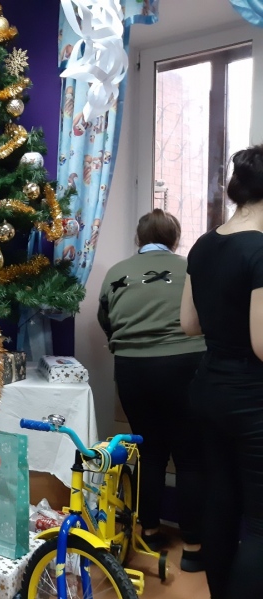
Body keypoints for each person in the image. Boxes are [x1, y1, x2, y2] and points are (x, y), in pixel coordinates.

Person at [97, 209, 205, 571]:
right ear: (175, 239)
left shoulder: (117, 272)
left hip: (133, 370)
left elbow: (106, 320)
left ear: (138, 239)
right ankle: (193, 549)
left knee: (150, 453)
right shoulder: (191, 268)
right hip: (187, 365)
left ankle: (151, 532)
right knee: (190, 457)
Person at [181, 144, 263, 598]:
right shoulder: (261, 250)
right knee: (260, 523)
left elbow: (189, 324)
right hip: (251, 398)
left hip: (208, 389)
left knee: (220, 503)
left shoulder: (203, 244)